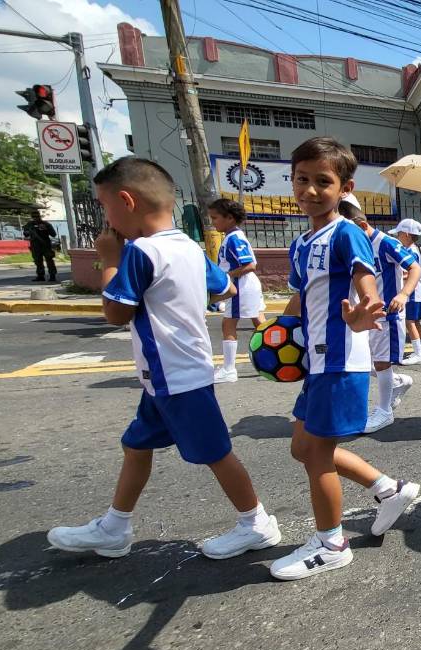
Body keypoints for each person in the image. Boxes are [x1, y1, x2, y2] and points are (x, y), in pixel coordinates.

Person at [47, 157, 281, 561]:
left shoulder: (141, 253)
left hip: (176, 376)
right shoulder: (186, 247)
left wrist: (109, 259)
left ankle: (257, 523)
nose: (106, 218)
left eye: (104, 206)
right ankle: (114, 526)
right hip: (166, 376)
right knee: (136, 446)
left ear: (126, 201)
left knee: (216, 453)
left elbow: (116, 313)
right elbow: (224, 288)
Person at [271, 137, 419, 581]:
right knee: (303, 447)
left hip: (340, 359)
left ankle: (332, 543)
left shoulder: (346, 231)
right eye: (302, 180)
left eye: (323, 181)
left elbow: (365, 278)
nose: (311, 190)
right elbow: (301, 296)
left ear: (344, 187)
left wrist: (364, 309)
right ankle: (387, 489)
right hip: (315, 362)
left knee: (317, 453)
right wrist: (274, 335)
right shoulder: (301, 243)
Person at [354, 211, 421, 433]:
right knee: (364, 362)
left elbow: (415, 267)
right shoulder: (353, 245)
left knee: (382, 362)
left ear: (363, 226)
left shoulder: (385, 243)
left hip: (388, 314)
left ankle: (384, 411)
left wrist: (403, 294)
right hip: (366, 313)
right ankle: (397, 382)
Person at [208, 199, 266, 384]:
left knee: (228, 324)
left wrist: (225, 277)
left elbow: (250, 265)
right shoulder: (233, 236)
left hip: (240, 287)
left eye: (215, 218)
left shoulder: (234, 238)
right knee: (260, 323)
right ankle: (275, 358)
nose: (213, 222)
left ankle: (229, 369)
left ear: (230, 218)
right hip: (246, 285)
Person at [395, 218, 421, 365]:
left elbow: (409, 273)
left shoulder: (410, 251)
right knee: (415, 322)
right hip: (417, 292)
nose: (396, 237)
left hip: (413, 292)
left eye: (398, 234)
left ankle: (419, 353)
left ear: (406, 234)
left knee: (410, 322)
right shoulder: (412, 249)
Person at [22, 209, 56, 282]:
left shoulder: (46, 224)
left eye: (37, 216)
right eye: (34, 216)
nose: (35, 218)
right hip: (35, 245)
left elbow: (53, 234)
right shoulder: (29, 224)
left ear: (39, 216)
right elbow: (25, 234)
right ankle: (40, 276)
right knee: (38, 261)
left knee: (49, 260)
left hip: (45, 245)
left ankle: (52, 275)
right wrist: (28, 231)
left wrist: (46, 229)